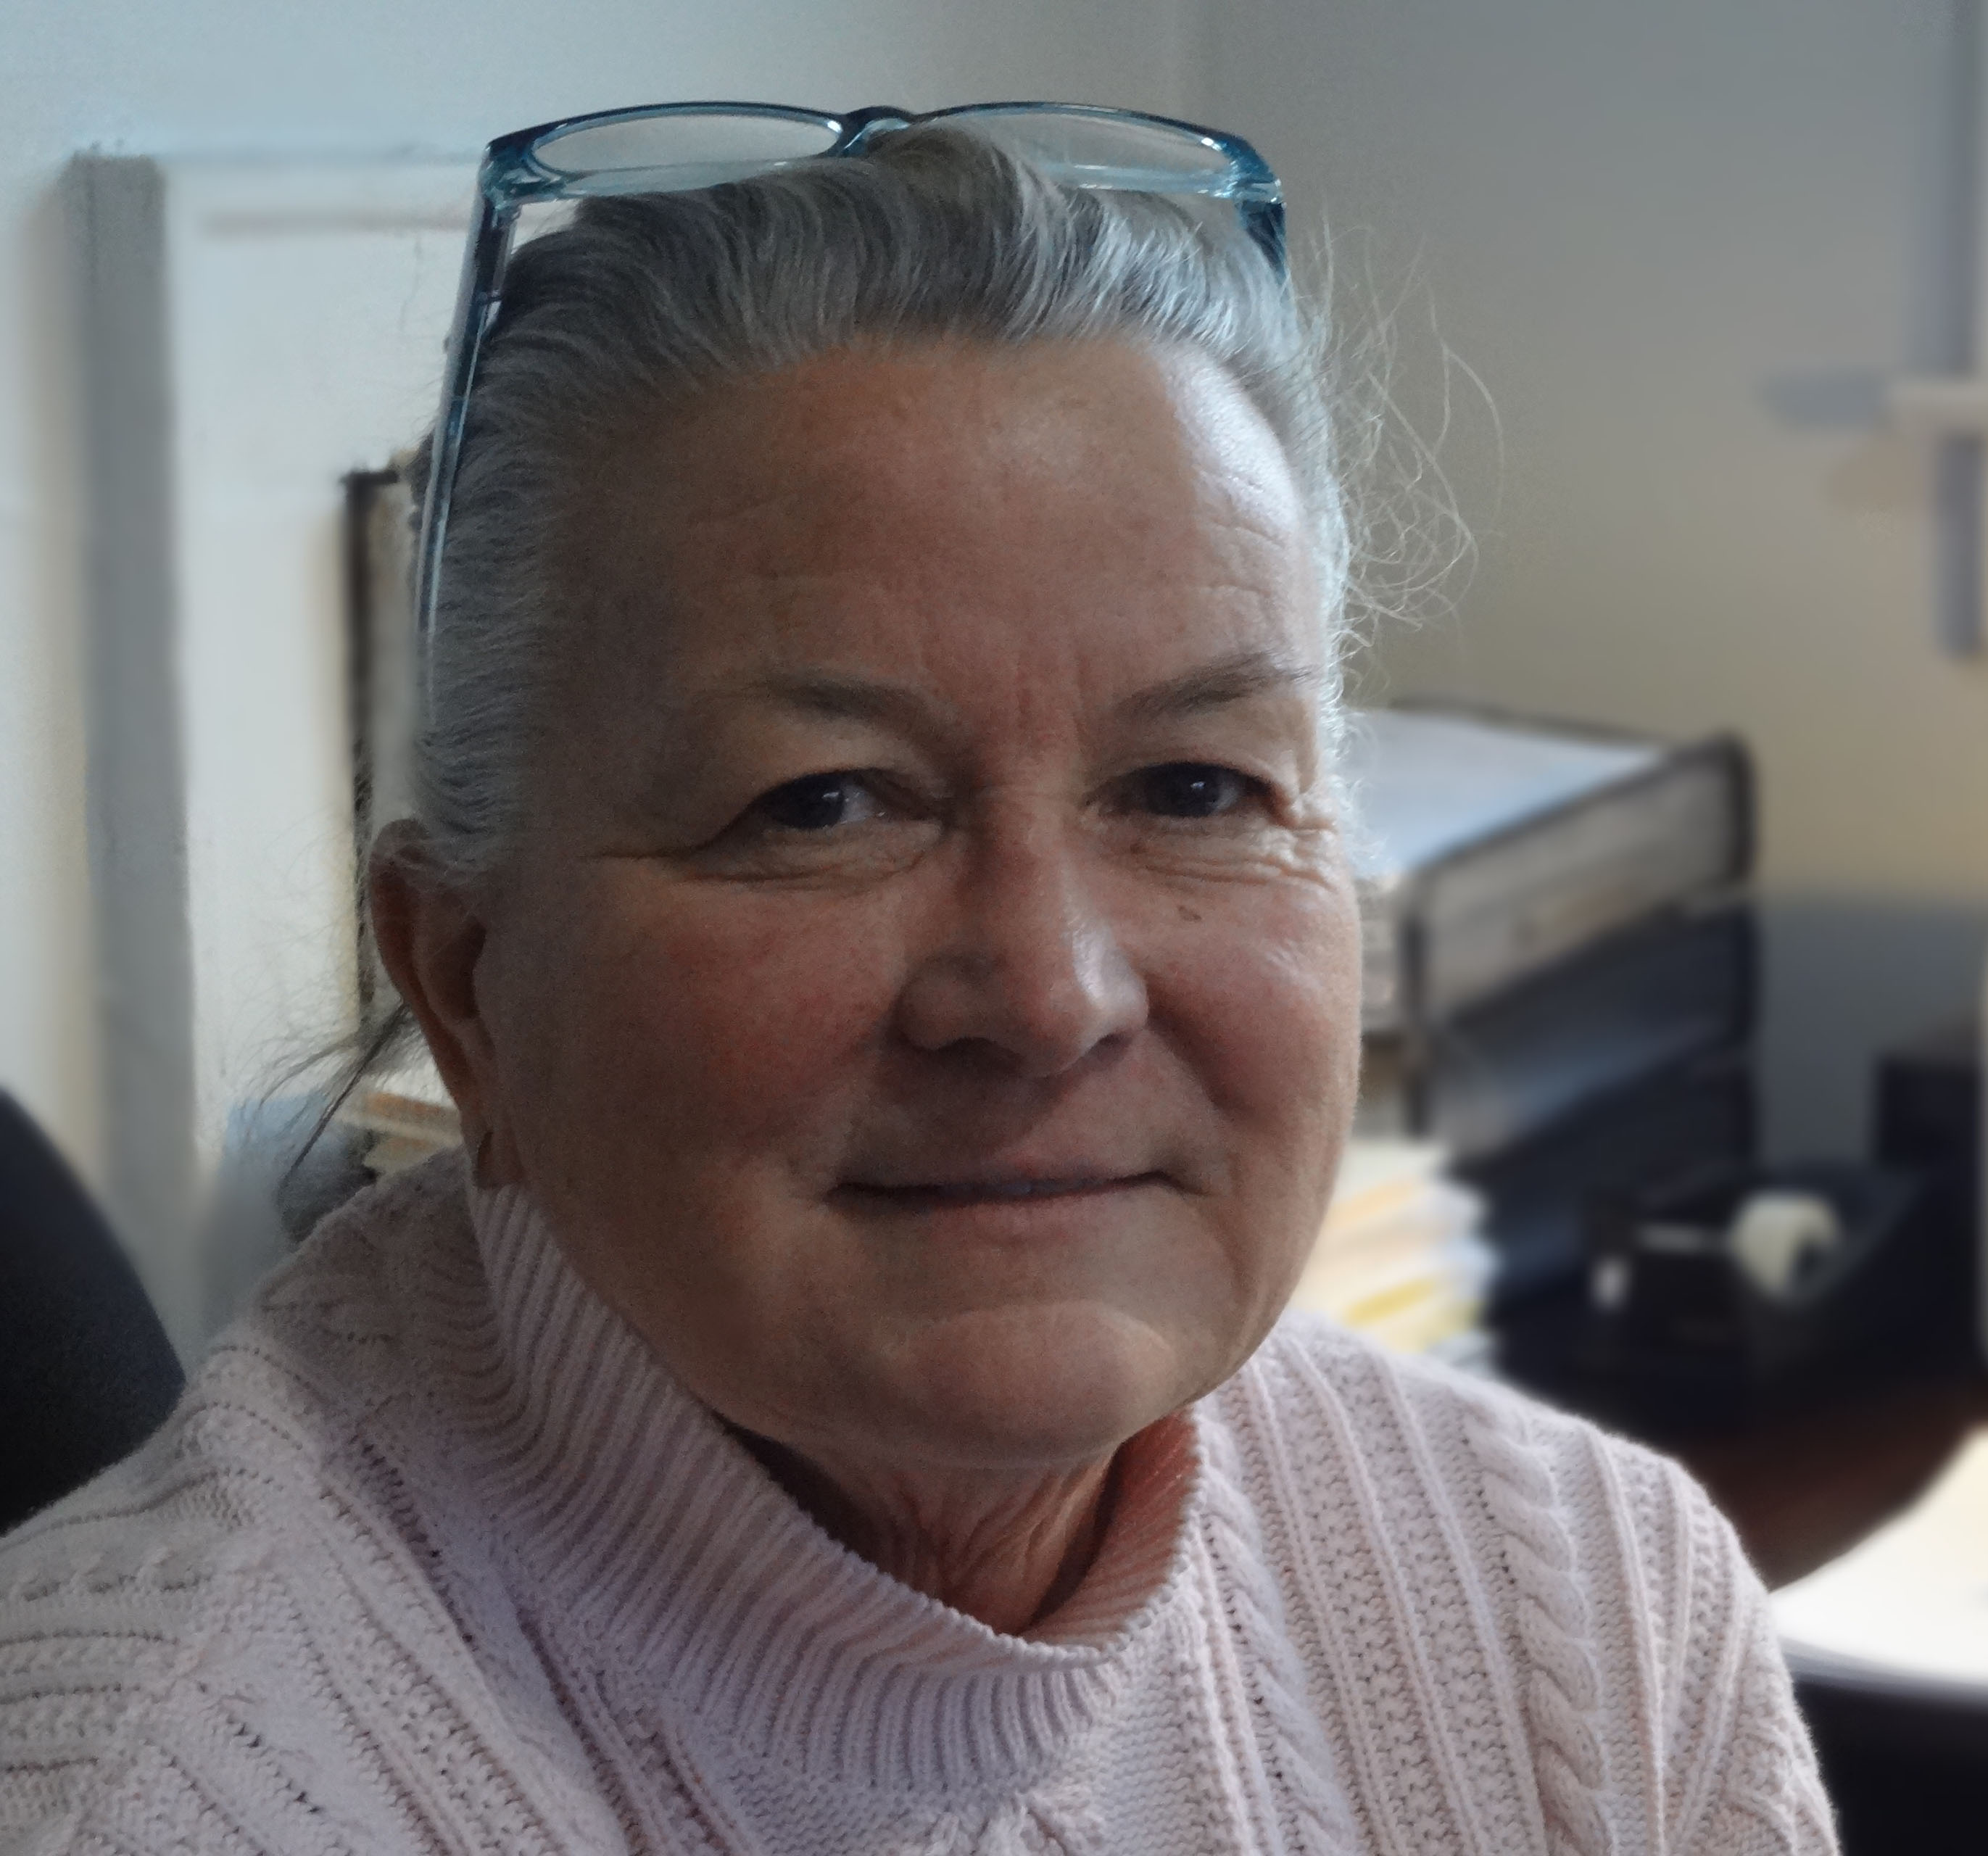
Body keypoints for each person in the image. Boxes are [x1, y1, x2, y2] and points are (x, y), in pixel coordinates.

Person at [0, 105, 1834, 1854]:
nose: (1049, 995)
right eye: (822, 803)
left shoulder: (1600, 1619)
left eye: (1196, 787)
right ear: (470, 987)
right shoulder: (152, 1794)